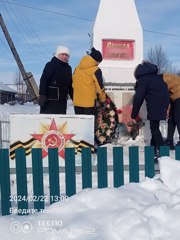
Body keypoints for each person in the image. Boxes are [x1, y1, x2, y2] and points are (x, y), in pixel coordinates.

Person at [131, 61, 170, 158]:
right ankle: (153, 150)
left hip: (154, 104)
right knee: (154, 127)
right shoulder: (158, 78)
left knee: (154, 129)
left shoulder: (143, 79)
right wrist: (166, 107)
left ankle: (163, 151)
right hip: (162, 104)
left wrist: (133, 114)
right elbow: (166, 91)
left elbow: (138, 98)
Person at [38, 45, 73, 114]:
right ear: (57, 54)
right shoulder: (50, 65)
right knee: (47, 122)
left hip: (62, 102)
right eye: (62, 54)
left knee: (60, 122)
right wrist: (42, 94)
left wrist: (73, 97)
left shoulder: (68, 68)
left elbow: (70, 85)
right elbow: (44, 80)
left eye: (66, 55)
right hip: (49, 100)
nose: (64, 57)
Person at [72, 47, 106, 115]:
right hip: (89, 104)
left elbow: (73, 84)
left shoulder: (77, 68)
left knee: (79, 123)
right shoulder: (95, 70)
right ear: (97, 60)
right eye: (99, 62)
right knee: (88, 125)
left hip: (77, 103)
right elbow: (99, 87)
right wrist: (103, 100)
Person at [163, 73, 180, 149]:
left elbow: (163, 93)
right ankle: (169, 141)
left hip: (178, 97)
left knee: (178, 119)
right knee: (171, 120)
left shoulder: (162, 78)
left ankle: (170, 141)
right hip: (174, 98)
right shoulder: (163, 77)